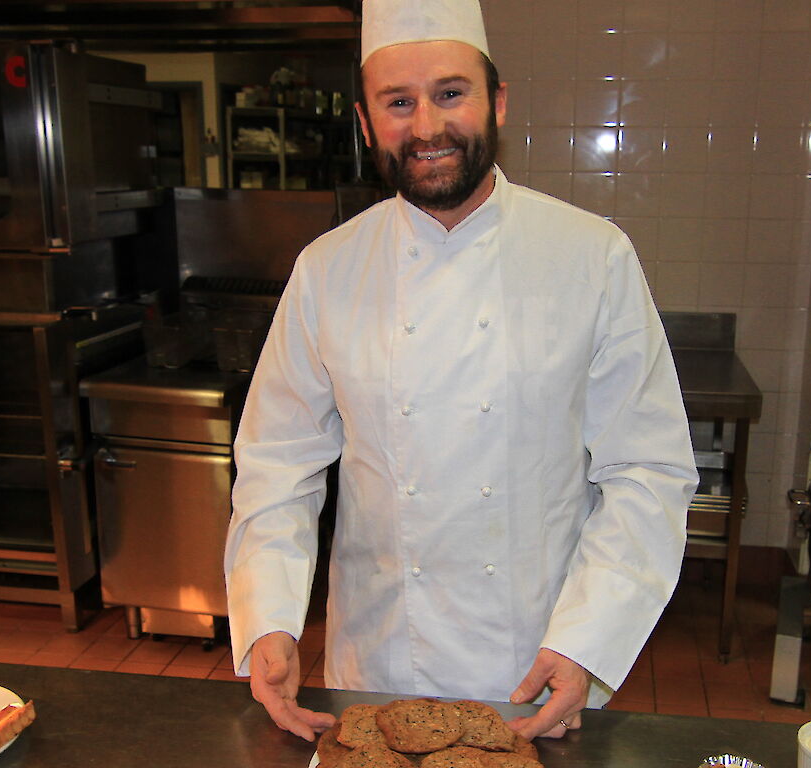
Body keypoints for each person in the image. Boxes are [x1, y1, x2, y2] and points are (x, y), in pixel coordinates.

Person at [223, 0, 697, 744]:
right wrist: (269, 620)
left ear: (496, 101)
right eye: (399, 103)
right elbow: (278, 466)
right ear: (366, 121)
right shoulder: (327, 270)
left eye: (450, 93)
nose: (427, 127)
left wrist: (589, 640)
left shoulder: (591, 257)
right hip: (374, 666)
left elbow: (648, 471)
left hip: (535, 669)